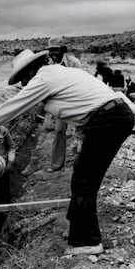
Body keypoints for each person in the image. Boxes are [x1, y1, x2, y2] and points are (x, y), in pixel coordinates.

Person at [0, 49, 135, 255]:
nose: (24, 84)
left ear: (31, 70)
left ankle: (88, 241)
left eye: (23, 78)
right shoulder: (60, 73)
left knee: (84, 182)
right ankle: (77, 226)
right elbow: (82, 110)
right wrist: (80, 143)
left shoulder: (45, 77)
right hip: (109, 118)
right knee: (81, 175)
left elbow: (15, 105)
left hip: (109, 120)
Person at [46, 37, 82, 172]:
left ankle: (80, 163)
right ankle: (56, 164)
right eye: (51, 51)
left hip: (76, 99)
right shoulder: (50, 65)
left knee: (80, 131)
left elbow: (80, 82)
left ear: (63, 50)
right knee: (59, 131)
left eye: (56, 50)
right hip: (61, 101)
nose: (53, 54)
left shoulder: (74, 63)